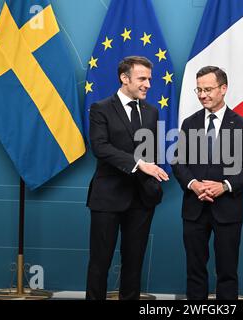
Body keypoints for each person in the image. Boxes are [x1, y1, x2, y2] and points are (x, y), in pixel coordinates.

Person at [172, 66, 243, 300]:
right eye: (198, 90)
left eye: (208, 89)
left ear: (223, 89)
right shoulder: (189, 123)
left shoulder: (241, 125)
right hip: (194, 209)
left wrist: (224, 186)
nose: (202, 95)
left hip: (228, 210)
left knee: (227, 272)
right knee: (194, 271)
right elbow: (178, 162)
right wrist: (193, 184)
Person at [86, 56, 169, 300]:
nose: (148, 85)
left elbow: (151, 151)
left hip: (141, 200)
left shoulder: (152, 112)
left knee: (134, 265)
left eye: (150, 79)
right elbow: (100, 147)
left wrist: (152, 175)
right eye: (142, 79)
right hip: (107, 198)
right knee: (99, 263)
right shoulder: (101, 108)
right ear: (125, 78)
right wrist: (139, 164)